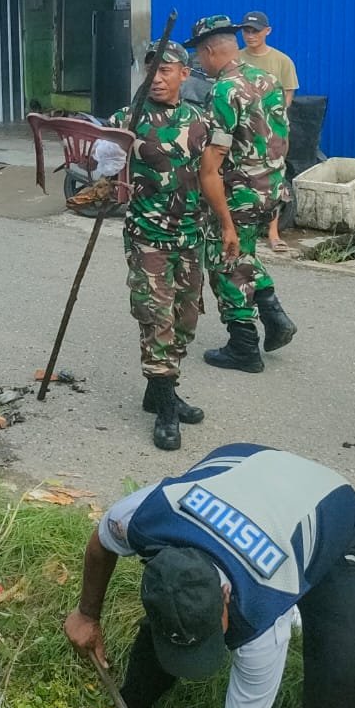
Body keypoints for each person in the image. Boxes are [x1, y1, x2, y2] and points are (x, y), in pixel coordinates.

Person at [64, 443, 355, 708]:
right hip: (246, 467)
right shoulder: (146, 516)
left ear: (226, 595)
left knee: (337, 662)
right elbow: (101, 544)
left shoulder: (261, 615)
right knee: (178, 624)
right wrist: (86, 615)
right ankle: (134, 705)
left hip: (327, 503)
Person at [108, 41, 212, 450]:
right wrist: (102, 161)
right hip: (148, 237)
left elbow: (211, 175)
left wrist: (226, 224)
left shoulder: (200, 121)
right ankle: (166, 406)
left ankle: (159, 392)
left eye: (166, 70)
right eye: (151, 69)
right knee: (157, 318)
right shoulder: (127, 118)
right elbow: (100, 166)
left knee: (186, 318)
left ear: (184, 74)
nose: (157, 78)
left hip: (191, 236)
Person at [187, 16, 295, 373]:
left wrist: (222, 219)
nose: (200, 64)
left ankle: (243, 346)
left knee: (225, 262)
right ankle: (274, 316)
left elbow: (212, 163)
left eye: (199, 56)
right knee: (245, 253)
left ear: (208, 51)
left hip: (240, 194)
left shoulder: (223, 91)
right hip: (272, 187)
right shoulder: (267, 80)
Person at [240, 13, 299, 253]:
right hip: (242, 131)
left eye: (255, 30)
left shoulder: (282, 61)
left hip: (273, 131)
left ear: (268, 31)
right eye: (246, 30)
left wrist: (269, 119)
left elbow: (288, 96)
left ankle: (273, 232)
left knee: (274, 179)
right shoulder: (236, 59)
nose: (250, 35)